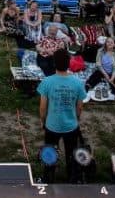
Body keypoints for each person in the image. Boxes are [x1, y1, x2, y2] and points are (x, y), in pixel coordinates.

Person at [37, 48, 87, 183]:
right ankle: (73, 177)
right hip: (71, 125)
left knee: (49, 152)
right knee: (71, 152)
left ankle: (48, 177)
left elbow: (42, 107)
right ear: (69, 63)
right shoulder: (77, 83)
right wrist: (76, 118)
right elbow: (80, 106)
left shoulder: (47, 82)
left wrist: (43, 120)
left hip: (52, 125)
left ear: (54, 63)